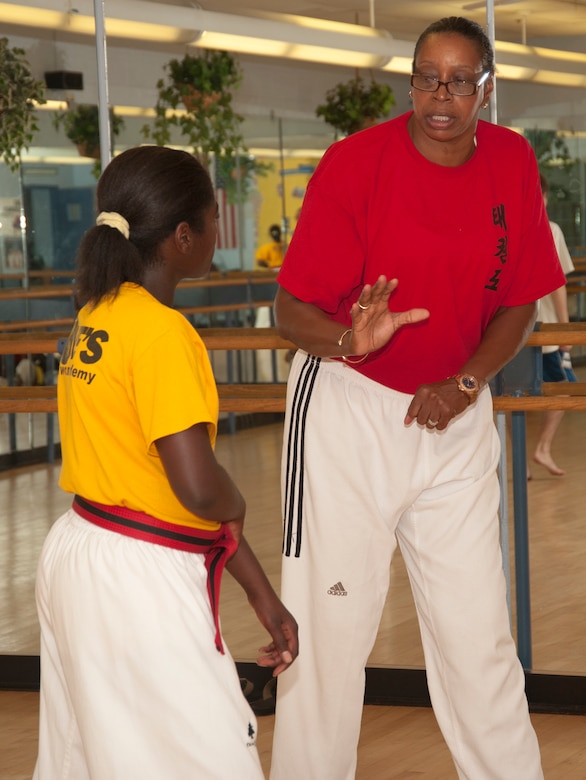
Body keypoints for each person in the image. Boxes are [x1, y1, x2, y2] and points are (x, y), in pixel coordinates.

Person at [269, 16, 565, 780]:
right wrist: (347, 341)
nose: (442, 95)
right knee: (330, 638)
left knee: (479, 640)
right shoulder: (354, 163)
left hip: (457, 416)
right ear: (411, 82)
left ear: (485, 90)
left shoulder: (511, 160)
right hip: (349, 410)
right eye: (428, 77)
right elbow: (291, 309)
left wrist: (468, 381)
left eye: (460, 80)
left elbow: (521, 304)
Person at [33, 145, 298, 780]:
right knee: (208, 755)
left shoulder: (95, 316)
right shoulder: (162, 333)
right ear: (184, 236)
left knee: (91, 755)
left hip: (82, 549)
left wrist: (264, 598)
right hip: (136, 577)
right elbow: (199, 490)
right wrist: (237, 500)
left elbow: (166, 493)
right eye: (212, 216)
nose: (215, 228)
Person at [531, 173, 576, 476]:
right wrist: (566, 328)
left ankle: (512, 458)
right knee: (565, 390)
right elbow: (559, 284)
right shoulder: (550, 229)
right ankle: (542, 448)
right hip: (543, 332)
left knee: (511, 396)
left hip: (511, 334)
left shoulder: (507, 229)